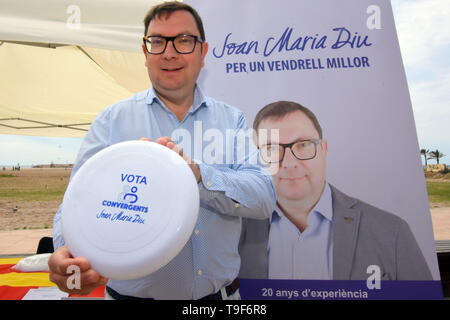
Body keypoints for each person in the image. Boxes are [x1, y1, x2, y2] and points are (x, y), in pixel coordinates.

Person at [48, 2, 276, 300]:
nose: (169, 53)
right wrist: (67, 253)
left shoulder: (231, 120)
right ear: (145, 53)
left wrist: (198, 175)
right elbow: (75, 204)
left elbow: (263, 198)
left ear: (202, 52)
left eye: (183, 40)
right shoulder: (112, 121)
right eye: (157, 42)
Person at [239, 100, 432, 280]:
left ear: (323, 150)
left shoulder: (391, 232)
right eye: (271, 148)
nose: (289, 163)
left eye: (303, 145)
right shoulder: (231, 231)